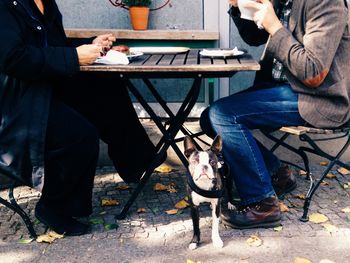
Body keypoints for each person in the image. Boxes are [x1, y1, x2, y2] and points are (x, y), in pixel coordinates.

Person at [0, 0, 162, 235]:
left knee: (105, 84)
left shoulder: (45, 3)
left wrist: (91, 46)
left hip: (44, 88)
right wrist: (75, 56)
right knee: (79, 134)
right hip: (16, 103)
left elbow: (53, 45)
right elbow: (13, 58)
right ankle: (53, 206)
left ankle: (136, 161)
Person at [200, 0, 350, 229]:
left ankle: (263, 203)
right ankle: (276, 173)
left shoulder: (326, 2)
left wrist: (274, 25)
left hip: (318, 97)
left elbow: (313, 73)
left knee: (223, 115)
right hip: (283, 88)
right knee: (209, 116)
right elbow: (254, 37)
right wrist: (237, 5)